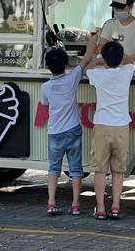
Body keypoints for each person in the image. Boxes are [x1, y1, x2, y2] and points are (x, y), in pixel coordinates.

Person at [41, 36, 97, 216]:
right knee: (75, 169)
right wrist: (94, 39)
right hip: (73, 129)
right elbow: (86, 58)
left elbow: (45, 106)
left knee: (53, 168)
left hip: (54, 132)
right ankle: (75, 204)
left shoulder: (45, 87)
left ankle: (51, 203)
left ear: (48, 66)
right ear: (66, 64)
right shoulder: (72, 78)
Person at [86, 40, 135, 220]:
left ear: (105, 59)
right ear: (120, 58)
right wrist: (118, 55)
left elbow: (86, 68)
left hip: (102, 126)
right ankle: (115, 207)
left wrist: (98, 58)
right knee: (118, 170)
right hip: (121, 126)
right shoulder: (127, 72)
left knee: (100, 170)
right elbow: (130, 60)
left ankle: (100, 208)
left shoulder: (98, 74)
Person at [99, 0, 135, 71]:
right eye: (116, 8)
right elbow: (101, 45)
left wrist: (126, 60)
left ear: (131, 6)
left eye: (121, 7)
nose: (118, 10)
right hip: (110, 72)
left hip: (131, 73)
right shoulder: (109, 24)